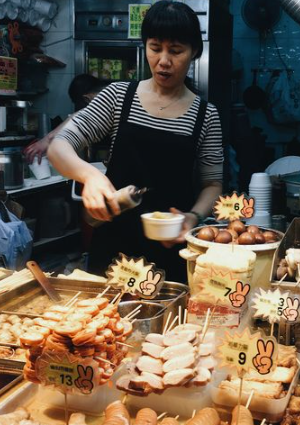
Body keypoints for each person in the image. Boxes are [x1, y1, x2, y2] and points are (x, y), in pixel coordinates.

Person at [48, 1, 223, 281]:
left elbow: (212, 184)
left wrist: (193, 217)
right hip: (114, 251)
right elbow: (59, 145)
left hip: (173, 251)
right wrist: (90, 176)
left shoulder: (206, 115)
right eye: (155, 48)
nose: (163, 60)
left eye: (176, 51)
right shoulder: (119, 97)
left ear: (194, 53)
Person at [24, 74, 104, 165]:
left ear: (86, 97)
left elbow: (82, 114)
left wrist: (47, 140)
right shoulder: (112, 97)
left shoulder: (105, 102)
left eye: (78, 103)